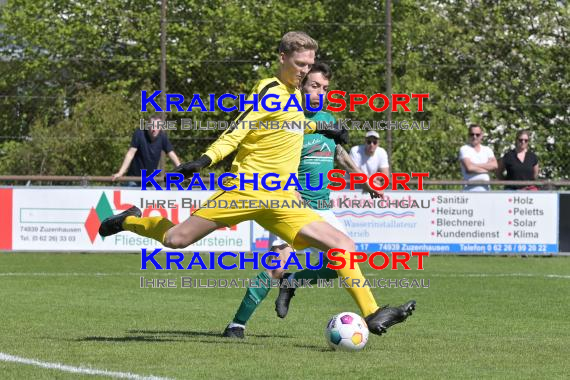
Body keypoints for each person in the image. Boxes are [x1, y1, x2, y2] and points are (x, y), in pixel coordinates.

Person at [99, 31, 415, 338]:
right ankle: (130, 219)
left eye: (309, 65)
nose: (305, 72)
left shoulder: (293, 97)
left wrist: (326, 124)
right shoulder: (270, 89)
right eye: (300, 64)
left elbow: (292, 125)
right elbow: (239, 130)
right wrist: (204, 160)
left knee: (343, 247)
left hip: (282, 198)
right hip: (245, 189)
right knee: (176, 239)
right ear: (283, 58)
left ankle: (373, 314)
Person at [222, 63, 386, 338]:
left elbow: (339, 155)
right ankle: (236, 325)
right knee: (277, 265)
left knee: (342, 261)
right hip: (289, 204)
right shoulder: (287, 119)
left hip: (323, 207)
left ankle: (293, 284)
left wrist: (364, 180)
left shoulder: (328, 120)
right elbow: (268, 158)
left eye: (325, 88)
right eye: (314, 86)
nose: (320, 93)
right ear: (301, 86)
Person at [112, 115, 181, 185]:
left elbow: (172, 155)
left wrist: (184, 172)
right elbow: (130, 154)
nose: (154, 129)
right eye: (152, 126)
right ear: (148, 126)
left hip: (150, 180)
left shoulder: (163, 137)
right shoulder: (139, 134)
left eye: (157, 126)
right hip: (134, 179)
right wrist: (120, 172)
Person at [458, 124, 497, 191]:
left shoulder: (487, 149)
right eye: (472, 134)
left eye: (477, 134)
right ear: (468, 135)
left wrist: (475, 165)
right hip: (469, 190)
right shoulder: (464, 149)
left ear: (481, 135)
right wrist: (487, 169)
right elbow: (469, 168)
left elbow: (495, 165)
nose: (474, 137)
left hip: (486, 190)